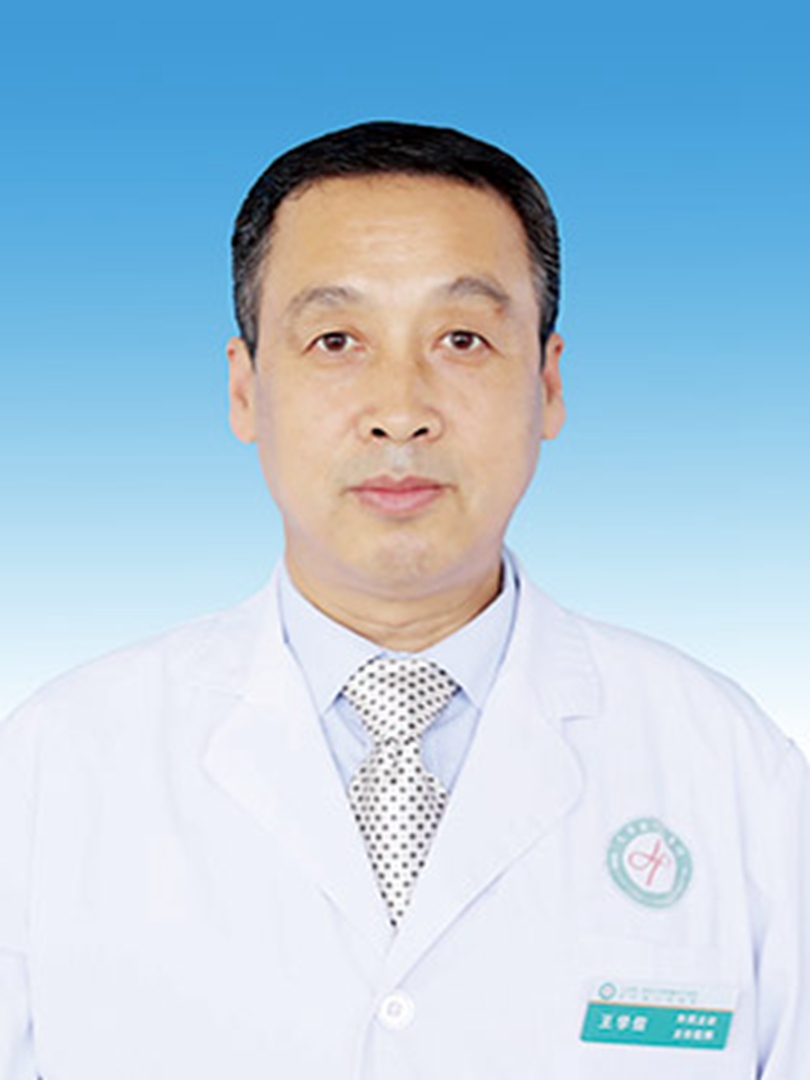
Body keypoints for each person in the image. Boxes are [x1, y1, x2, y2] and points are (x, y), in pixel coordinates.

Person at [0, 121, 807, 1079]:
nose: (399, 410)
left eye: (462, 339)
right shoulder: (54, 767)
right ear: (245, 389)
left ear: (547, 383)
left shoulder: (730, 768)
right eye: (336, 340)